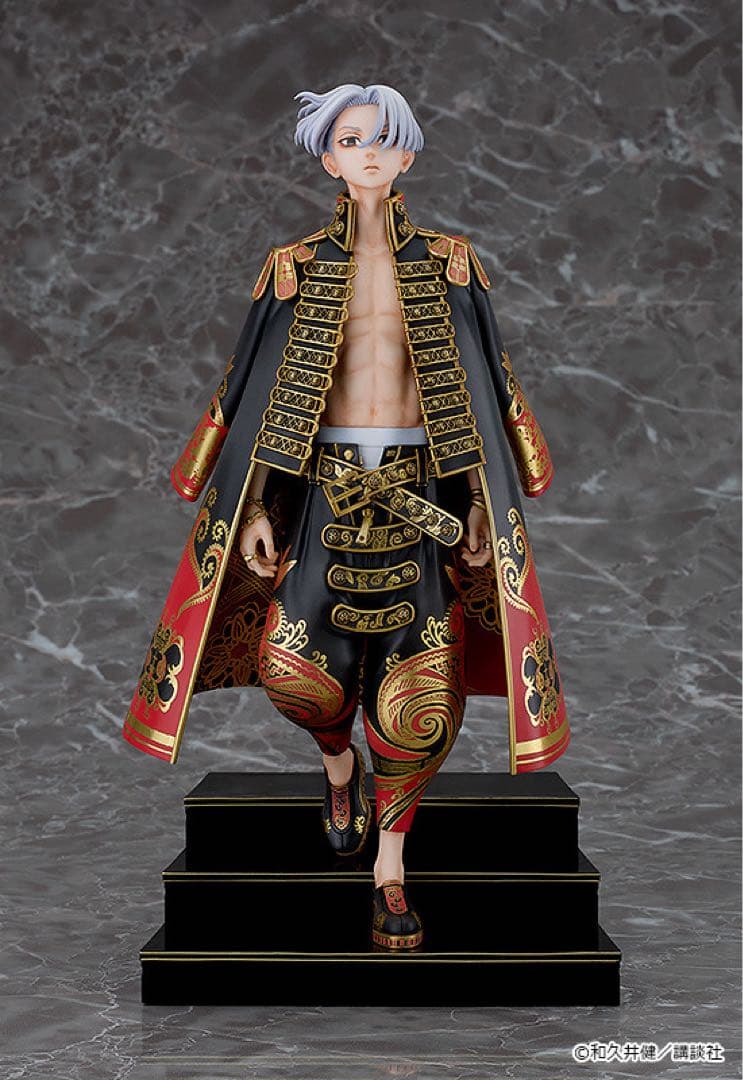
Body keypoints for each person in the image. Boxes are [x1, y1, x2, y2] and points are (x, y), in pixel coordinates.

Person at [123, 84, 570, 952]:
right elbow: (253, 387)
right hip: (324, 491)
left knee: (421, 692)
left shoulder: (451, 263)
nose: (368, 153)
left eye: (384, 139)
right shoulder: (291, 266)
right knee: (298, 675)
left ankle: (389, 871)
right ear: (328, 157)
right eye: (351, 139)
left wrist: (481, 500)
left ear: (407, 154)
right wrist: (256, 504)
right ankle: (338, 765)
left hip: (422, 496)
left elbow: (486, 383)